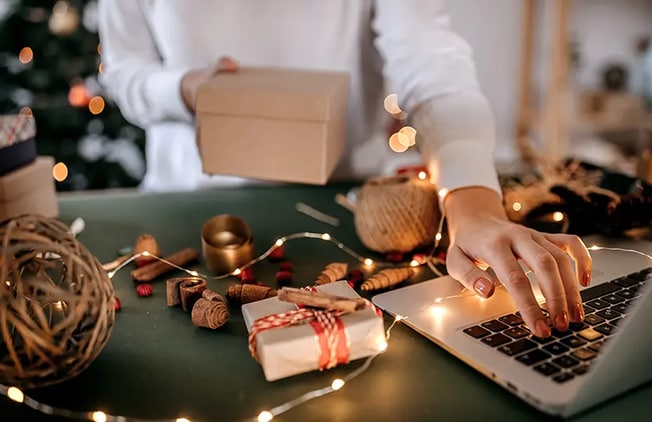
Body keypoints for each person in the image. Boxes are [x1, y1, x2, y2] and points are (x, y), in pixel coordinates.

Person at [98, 0, 592, 338]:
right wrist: (185, 90)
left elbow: (433, 67)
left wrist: (474, 201)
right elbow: (123, 72)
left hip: (353, 213)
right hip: (188, 204)